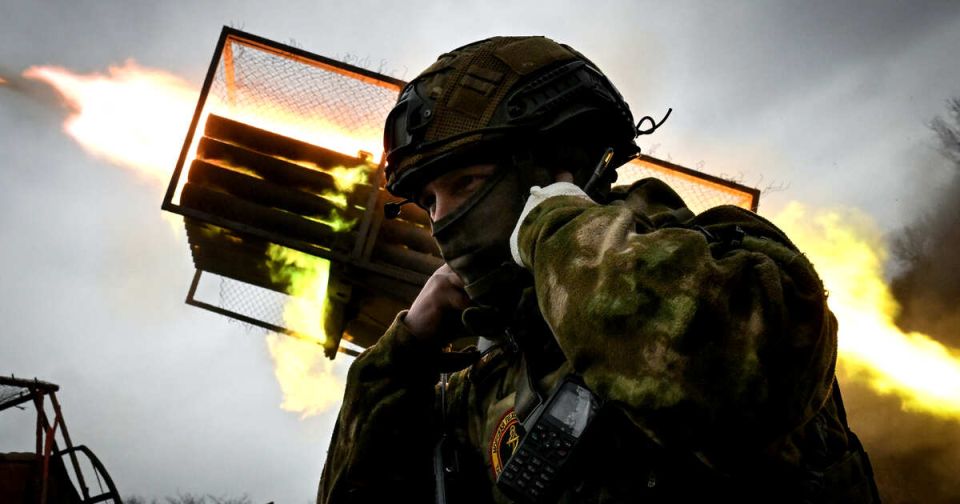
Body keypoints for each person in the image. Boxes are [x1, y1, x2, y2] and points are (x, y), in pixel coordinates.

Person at [318, 36, 880, 503]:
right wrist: (400, 357)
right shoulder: (486, 371)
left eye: (465, 183)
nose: (442, 221)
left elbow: (728, 385)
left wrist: (556, 225)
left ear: (556, 165)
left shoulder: (731, 262)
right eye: (428, 202)